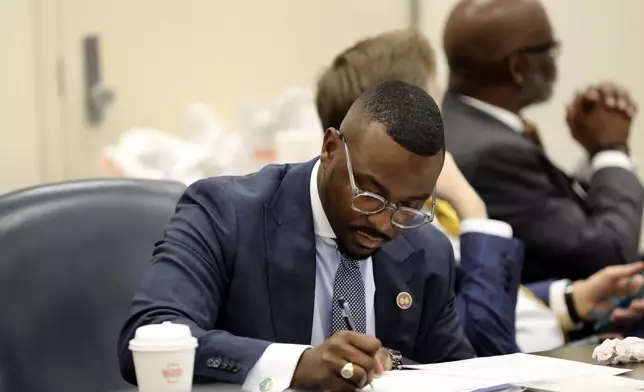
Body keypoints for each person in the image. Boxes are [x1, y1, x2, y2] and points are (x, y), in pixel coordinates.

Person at [118, 80, 475, 392]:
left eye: (408, 207)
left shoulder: (427, 252)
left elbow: (458, 376)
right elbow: (150, 335)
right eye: (369, 195)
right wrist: (297, 364)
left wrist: (390, 365)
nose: (384, 224)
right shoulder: (225, 214)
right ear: (330, 148)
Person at [315, 28, 644, 354]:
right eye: (438, 103)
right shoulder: (398, 222)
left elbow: (461, 294)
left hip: (548, 333)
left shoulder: (421, 209)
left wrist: (569, 300)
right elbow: (483, 342)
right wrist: (473, 210)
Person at [441, 0, 644, 283]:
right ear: (518, 66)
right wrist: (611, 150)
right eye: (550, 48)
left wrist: (594, 154)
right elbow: (609, 252)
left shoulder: (455, 122)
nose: (554, 59)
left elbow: (560, 221)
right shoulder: (497, 154)